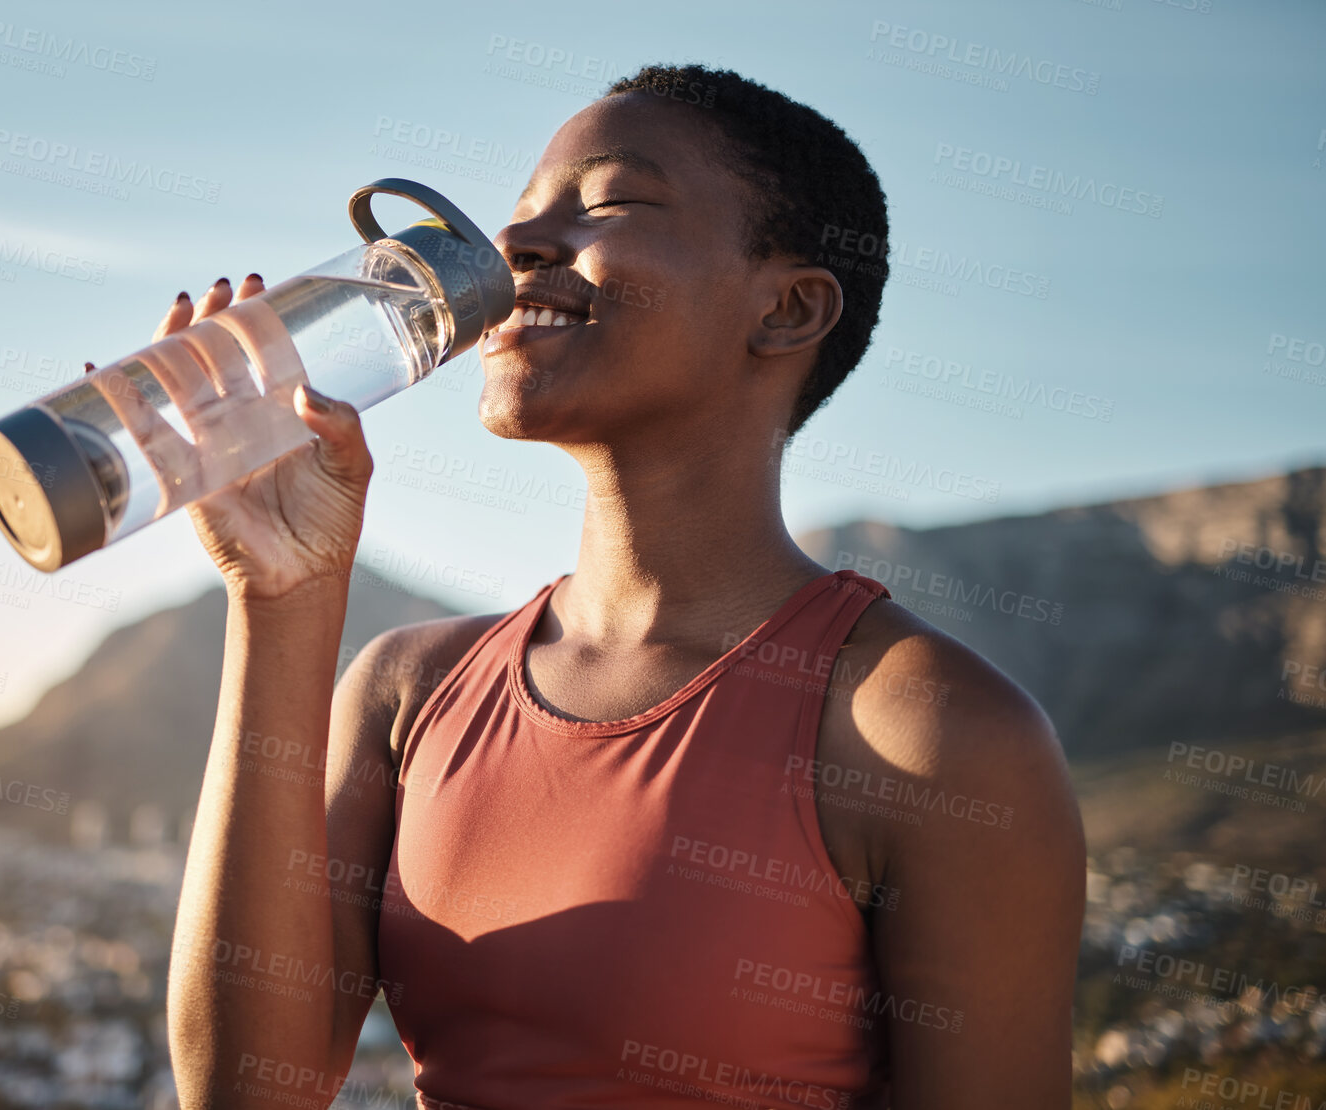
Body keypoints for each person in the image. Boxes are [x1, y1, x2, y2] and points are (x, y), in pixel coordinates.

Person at [158, 63, 1086, 1109]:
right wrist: (279, 597)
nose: (512, 251)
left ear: (786, 308)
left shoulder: (929, 733)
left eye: (610, 204)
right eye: (519, 218)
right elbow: (244, 1094)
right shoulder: (408, 689)